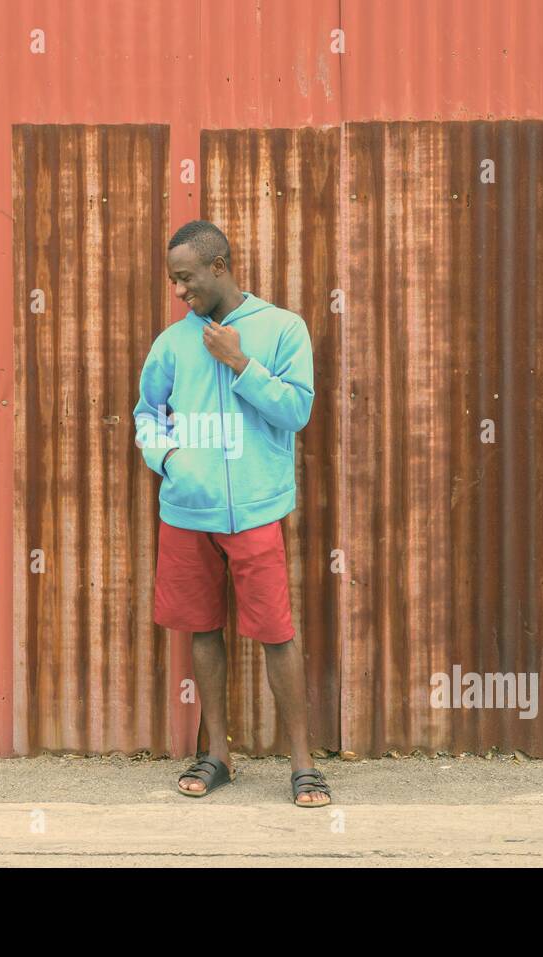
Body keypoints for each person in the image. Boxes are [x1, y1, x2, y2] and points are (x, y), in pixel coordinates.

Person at [132, 219, 330, 807]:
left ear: (220, 266)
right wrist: (169, 459)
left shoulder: (282, 329)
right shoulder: (171, 343)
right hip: (188, 510)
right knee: (202, 629)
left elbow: (296, 411)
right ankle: (217, 754)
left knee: (276, 633)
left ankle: (303, 762)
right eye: (173, 281)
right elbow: (147, 413)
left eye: (187, 278)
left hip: (256, 509)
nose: (180, 292)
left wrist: (241, 365)